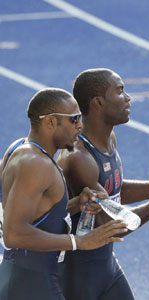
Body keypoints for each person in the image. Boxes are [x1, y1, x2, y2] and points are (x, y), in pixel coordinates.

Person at [56, 69, 149, 300]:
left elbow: (114, 192)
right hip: (78, 275)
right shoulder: (78, 156)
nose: (128, 98)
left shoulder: (108, 139)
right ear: (98, 102)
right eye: (120, 92)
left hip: (106, 265)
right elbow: (115, 224)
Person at [0, 88, 128, 300]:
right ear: (50, 122)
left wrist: (76, 204)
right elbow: (14, 234)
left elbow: (34, 214)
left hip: (25, 278)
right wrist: (78, 242)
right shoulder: (35, 163)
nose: (81, 125)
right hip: (30, 284)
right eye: (74, 119)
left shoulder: (19, 149)